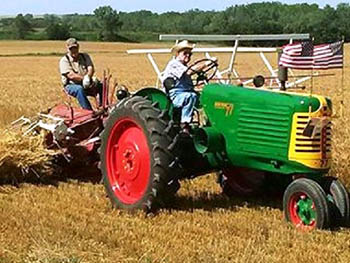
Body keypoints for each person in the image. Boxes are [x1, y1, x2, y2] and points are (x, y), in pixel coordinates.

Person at [162, 40, 217, 129]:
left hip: (186, 91)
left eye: (190, 54)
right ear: (177, 54)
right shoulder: (174, 64)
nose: (188, 55)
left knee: (206, 99)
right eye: (185, 53)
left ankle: (208, 123)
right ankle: (185, 124)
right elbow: (189, 72)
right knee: (190, 96)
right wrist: (207, 63)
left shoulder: (185, 66)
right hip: (176, 95)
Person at [59, 38, 102, 110]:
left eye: (75, 48)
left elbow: (90, 68)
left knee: (101, 86)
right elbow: (71, 75)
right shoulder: (64, 60)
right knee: (79, 89)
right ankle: (89, 111)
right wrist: (84, 79)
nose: (74, 50)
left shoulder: (85, 56)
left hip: (86, 82)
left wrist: (88, 77)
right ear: (68, 49)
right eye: (71, 48)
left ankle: (102, 107)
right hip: (71, 85)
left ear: (78, 47)